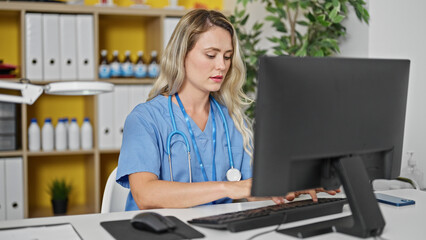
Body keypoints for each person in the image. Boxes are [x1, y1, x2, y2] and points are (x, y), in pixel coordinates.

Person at [116, 9, 338, 211]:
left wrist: (294, 186)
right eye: (211, 55)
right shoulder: (145, 119)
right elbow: (145, 194)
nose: (221, 66)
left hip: (212, 231)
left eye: (227, 56)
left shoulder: (231, 119)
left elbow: (252, 190)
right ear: (181, 55)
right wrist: (226, 188)